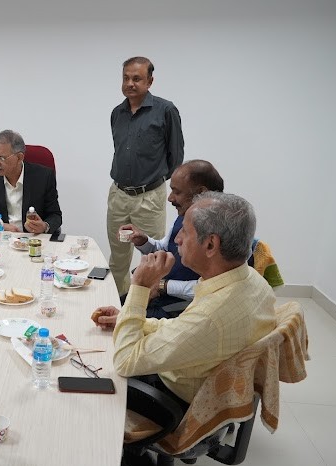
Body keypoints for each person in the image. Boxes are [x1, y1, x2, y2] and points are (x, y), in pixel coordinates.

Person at [92, 192, 275, 406]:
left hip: (170, 399)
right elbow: (183, 329)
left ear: (210, 245)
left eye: (185, 232)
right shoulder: (252, 279)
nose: (177, 239)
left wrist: (140, 286)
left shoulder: (210, 317)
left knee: (91, 366)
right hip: (199, 369)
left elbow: (125, 361)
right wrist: (129, 319)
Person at [108, 56, 185, 295]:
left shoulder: (166, 110)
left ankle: (148, 308)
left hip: (149, 197)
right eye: (126, 78)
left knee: (152, 257)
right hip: (119, 197)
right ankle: (119, 304)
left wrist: (155, 179)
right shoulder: (117, 113)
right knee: (118, 256)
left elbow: (176, 155)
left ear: (150, 81)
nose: (130, 83)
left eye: (137, 78)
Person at [119, 160, 224, 318]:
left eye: (177, 192)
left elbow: (215, 287)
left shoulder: (219, 229)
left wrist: (163, 286)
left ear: (201, 193)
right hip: (160, 293)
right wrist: (143, 241)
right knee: (114, 304)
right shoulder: (185, 216)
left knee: (122, 322)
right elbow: (167, 248)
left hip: (180, 306)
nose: (170, 198)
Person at [0, 129, 62, 234]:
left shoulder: (44, 177)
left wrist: (44, 226)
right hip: (1, 239)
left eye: (1, 158)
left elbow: (55, 215)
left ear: (19, 157)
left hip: (34, 240)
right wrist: (0, 225)